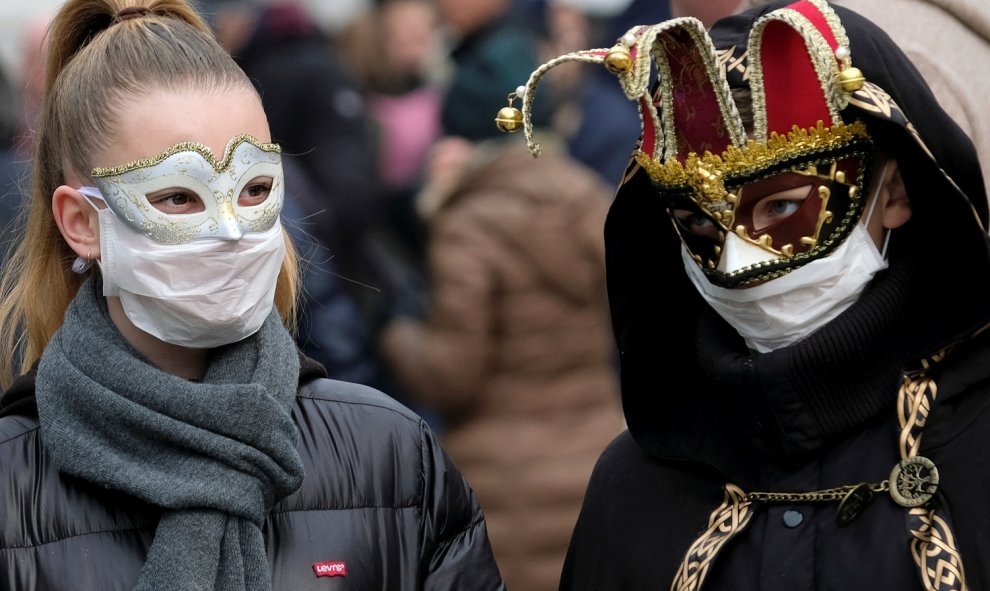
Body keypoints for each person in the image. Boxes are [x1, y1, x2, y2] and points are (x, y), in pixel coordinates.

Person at [0, 1, 505, 589]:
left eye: (254, 189)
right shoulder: (12, 485)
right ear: (82, 222)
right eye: (177, 197)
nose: (232, 229)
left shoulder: (390, 455)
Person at [500, 0, 990, 588]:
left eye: (782, 206)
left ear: (896, 192)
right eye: (701, 224)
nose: (739, 263)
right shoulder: (635, 485)